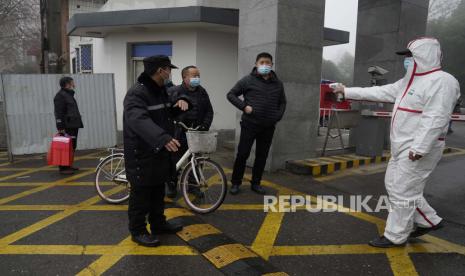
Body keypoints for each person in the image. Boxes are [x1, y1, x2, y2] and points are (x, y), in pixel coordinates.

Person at [332, 37, 461, 248]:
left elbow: (436, 117)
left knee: (402, 191)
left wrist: (420, 147)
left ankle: (395, 235)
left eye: (411, 56)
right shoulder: (408, 81)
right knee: (396, 186)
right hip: (402, 146)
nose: (407, 61)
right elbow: (379, 92)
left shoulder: (442, 81)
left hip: (418, 148)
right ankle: (429, 220)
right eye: (406, 57)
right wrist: (346, 91)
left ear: (425, 55)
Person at [123, 55, 190, 247]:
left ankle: (158, 224)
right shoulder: (137, 93)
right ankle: (138, 231)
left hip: (159, 152)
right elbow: (138, 120)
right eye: (169, 69)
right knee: (141, 195)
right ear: (161, 70)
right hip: (141, 153)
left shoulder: (160, 91)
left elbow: (168, 111)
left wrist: (183, 102)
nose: (170, 73)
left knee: (157, 191)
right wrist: (163, 138)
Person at [227, 52, 286, 195]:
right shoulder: (247, 80)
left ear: (272, 65)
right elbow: (231, 94)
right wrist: (244, 107)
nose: (265, 65)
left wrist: (277, 116)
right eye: (262, 62)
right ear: (256, 64)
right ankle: (235, 183)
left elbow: (282, 102)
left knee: (262, 155)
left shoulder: (278, 84)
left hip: (268, 126)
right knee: (243, 154)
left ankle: (256, 183)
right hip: (250, 124)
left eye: (268, 63)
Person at [166, 66, 214, 198]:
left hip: (197, 132)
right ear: (184, 77)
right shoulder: (173, 91)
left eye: (198, 75)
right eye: (193, 76)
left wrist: (205, 125)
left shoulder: (202, 92)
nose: (196, 79)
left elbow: (209, 111)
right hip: (179, 132)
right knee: (175, 160)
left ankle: (193, 186)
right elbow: (167, 111)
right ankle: (171, 185)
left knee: (196, 160)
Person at [53, 76, 83, 175]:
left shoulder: (68, 95)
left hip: (73, 125)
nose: (74, 84)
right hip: (67, 126)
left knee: (72, 146)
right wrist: (60, 127)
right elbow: (59, 113)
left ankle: (69, 165)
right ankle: (63, 168)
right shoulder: (60, 96)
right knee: (65, 146)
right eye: (72, 82)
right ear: (67, 84)